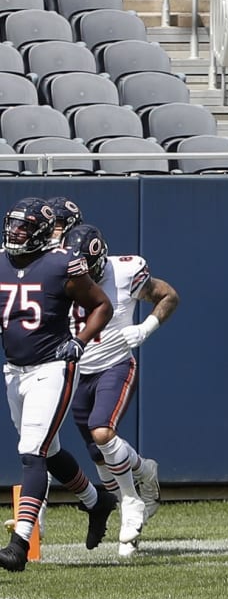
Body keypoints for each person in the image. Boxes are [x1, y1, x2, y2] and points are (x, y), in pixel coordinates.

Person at [0, 197, 116, 572]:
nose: (13, 232)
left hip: (52, 368)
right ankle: (96, 500)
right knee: (48, 452)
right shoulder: (2, 260)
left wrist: (79, 341)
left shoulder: (59, 264)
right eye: (11, 224)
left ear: (37, 233)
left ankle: (18, 545)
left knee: (32, 451)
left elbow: (102, 305)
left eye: (22, 227)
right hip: (15, 370)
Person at [65, 221, 178, 558]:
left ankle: (130, 501)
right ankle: (145, 470)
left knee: (102, 432)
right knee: (97, 453)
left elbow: (168, 295)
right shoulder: (60, 273)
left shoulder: (126, 272)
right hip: (77, 372)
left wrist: (146, 327)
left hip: (115, 364)